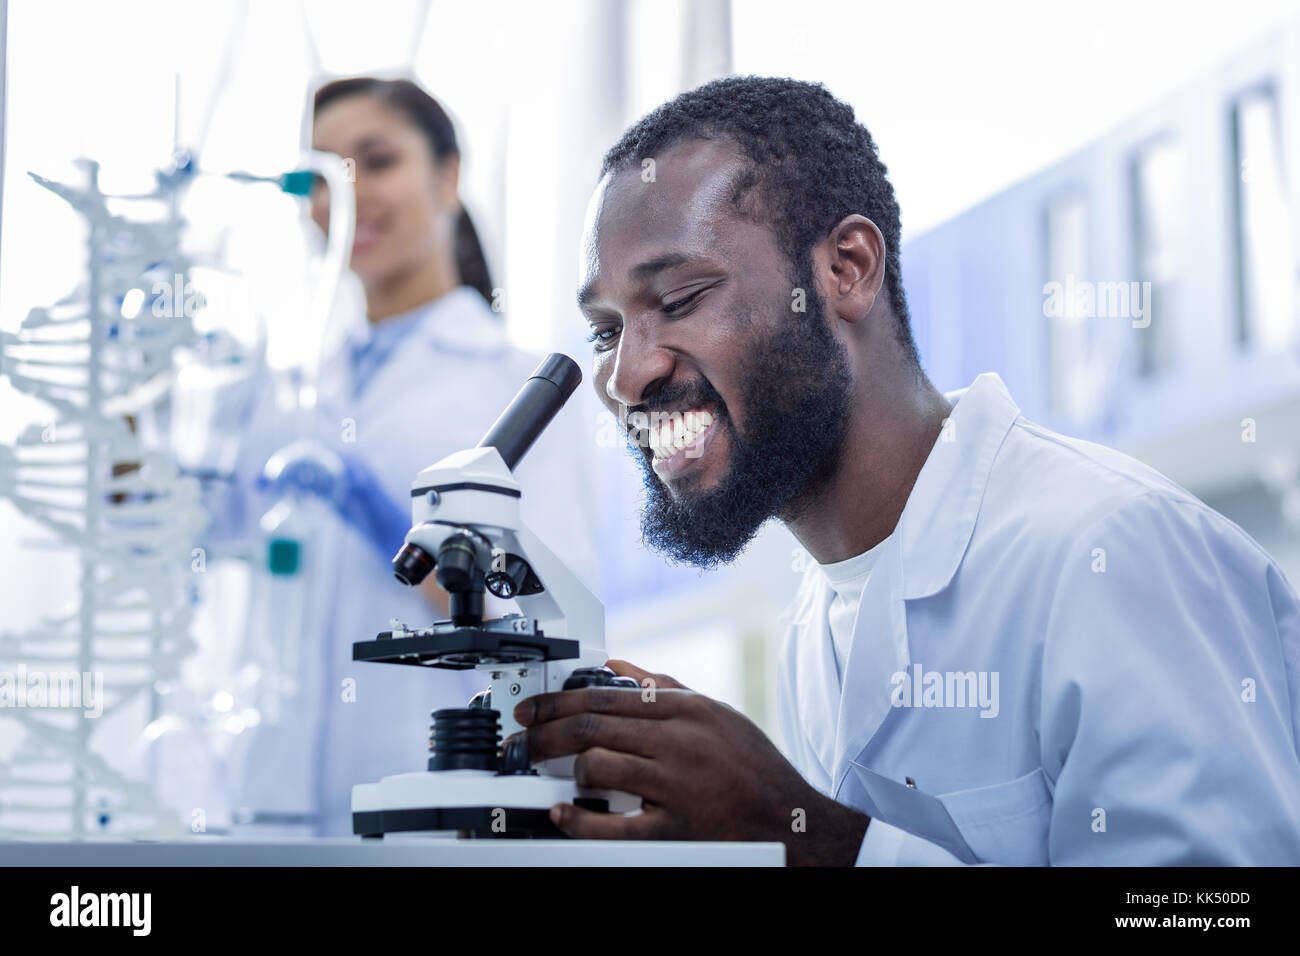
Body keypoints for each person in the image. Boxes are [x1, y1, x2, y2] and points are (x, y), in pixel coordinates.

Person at [512, 75, 1300, 865]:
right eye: (606, 332)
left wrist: (813, 838)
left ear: (846, 269)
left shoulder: (1113, 551)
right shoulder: (817, 620)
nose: (625, 378)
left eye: (680, 298)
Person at [219, 77, 597, 836]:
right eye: (322, 176)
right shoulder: (287, 396)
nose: (347, 196)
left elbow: (544, 625)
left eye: (377, 160)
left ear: (448, 175)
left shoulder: (515, 384)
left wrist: (384, 514)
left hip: (437, 815)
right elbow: (170, 523)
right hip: (274, 813)